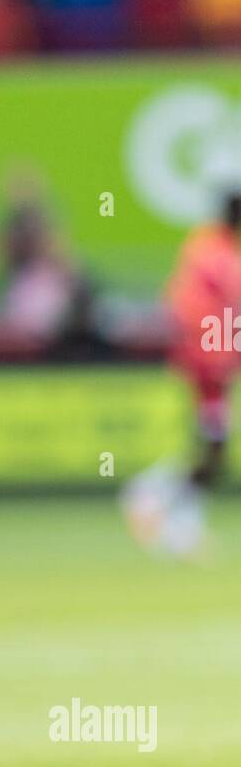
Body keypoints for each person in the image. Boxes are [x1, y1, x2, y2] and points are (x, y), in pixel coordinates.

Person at [123, 192, 241, 556]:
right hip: (207, 363)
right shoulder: (213, 254)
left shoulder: (214, 249)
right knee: (214, 445)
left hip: (213, 360)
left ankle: (176, 516)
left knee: (212, 446)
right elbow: (193, 307)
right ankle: (154, 496)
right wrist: (214, 352)